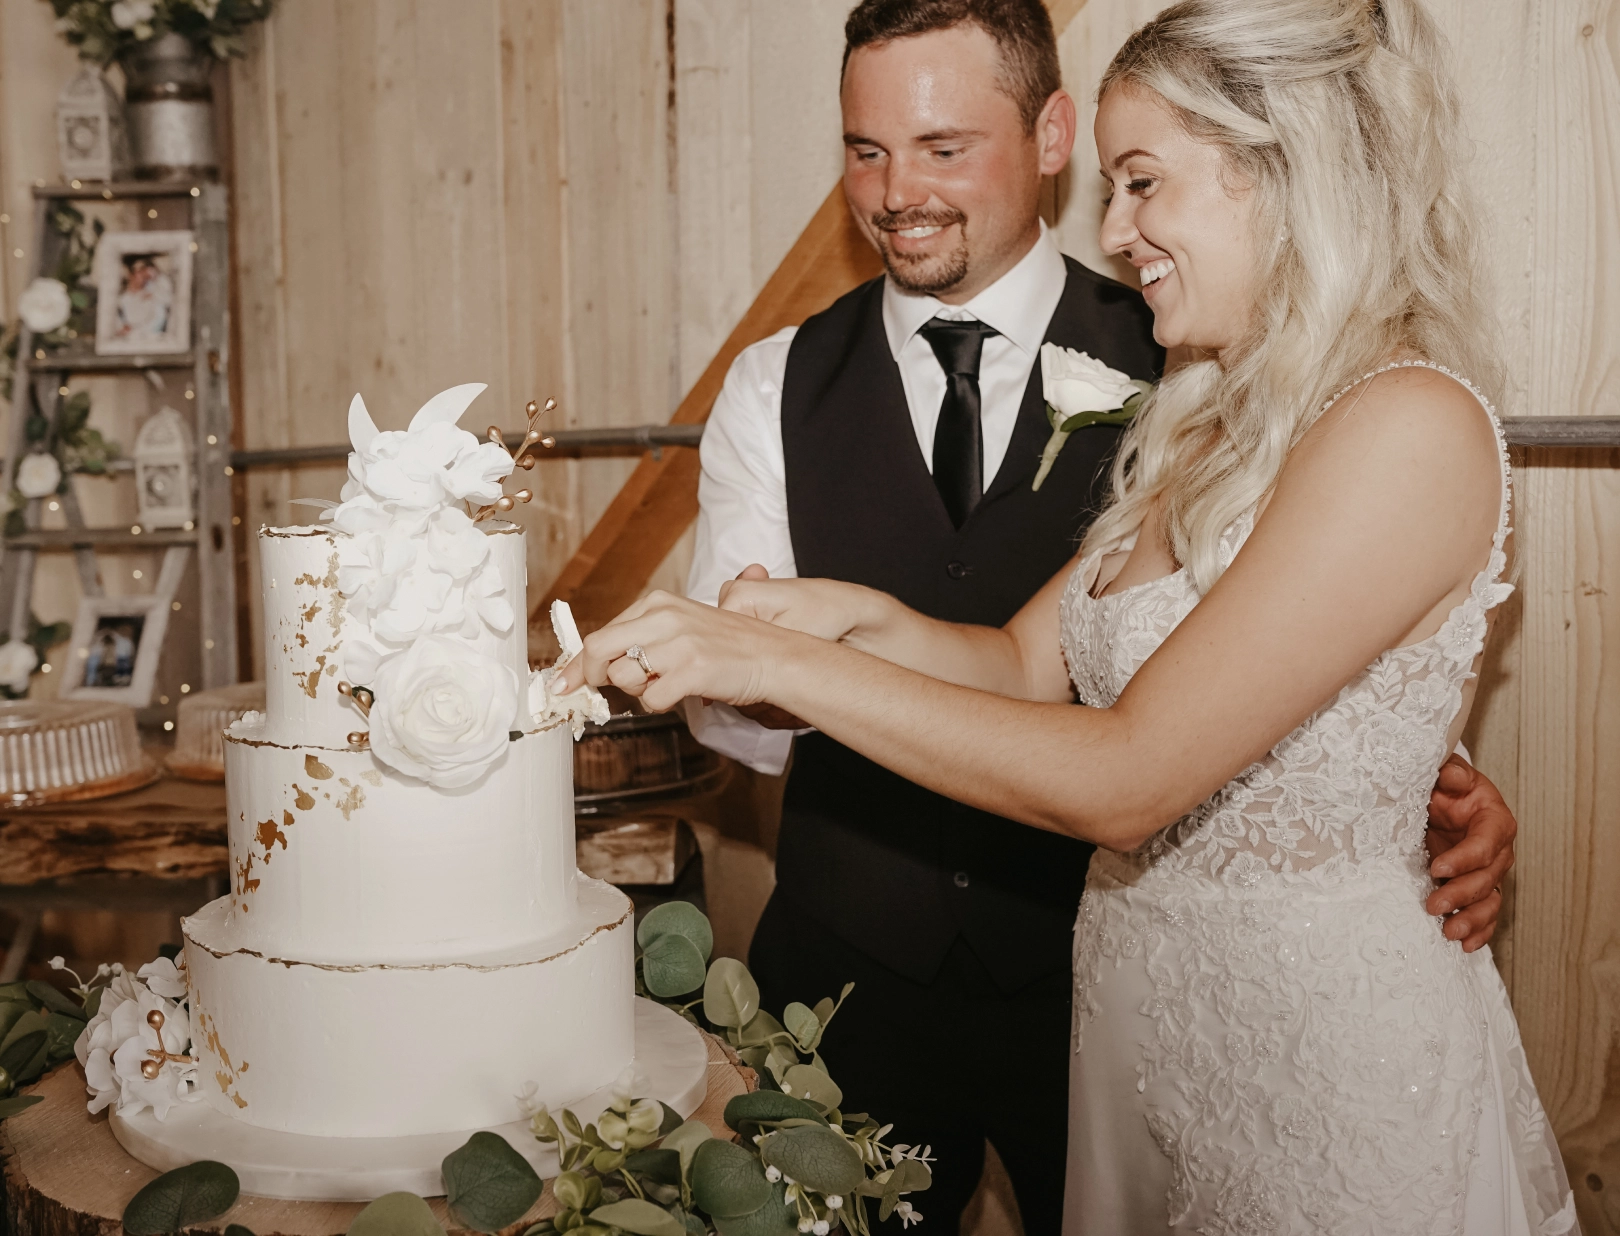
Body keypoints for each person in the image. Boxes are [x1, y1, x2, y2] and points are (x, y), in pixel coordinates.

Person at [658, 0, 1537, 1230]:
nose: (1115, 235)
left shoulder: (1399, 419)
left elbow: (1136, 773)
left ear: (1280, 172)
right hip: (1133, 1023)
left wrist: (783, 661)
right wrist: (828, 620)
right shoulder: (1206, 411)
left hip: (1309, 1053)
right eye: (867, 150)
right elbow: (1026, 661)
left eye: (1141, 185)